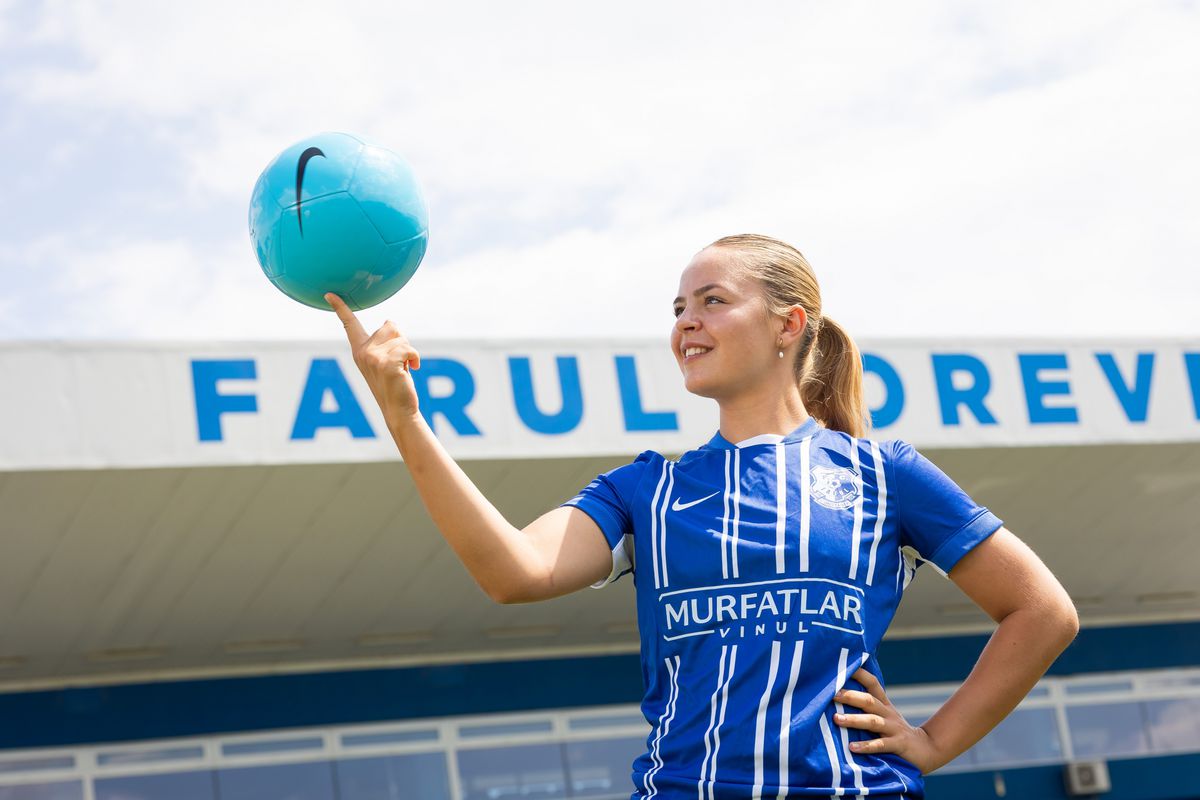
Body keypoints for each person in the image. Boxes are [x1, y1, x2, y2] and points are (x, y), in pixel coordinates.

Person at [325, 233, 1079, 799]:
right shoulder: (645, 490)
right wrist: (404, 418)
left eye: (713, 300)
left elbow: (1042, 611)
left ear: (789, 324)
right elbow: (513, 573)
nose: (687, 321)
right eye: (679, 308)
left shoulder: (882, 474)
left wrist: (934, 741)